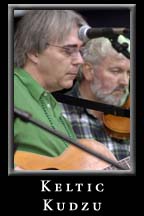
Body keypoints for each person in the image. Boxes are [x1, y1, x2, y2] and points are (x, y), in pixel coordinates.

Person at [14, 10, 117, 170]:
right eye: (68, 50)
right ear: (34, 51)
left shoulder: (52, 104)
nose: (80, 61)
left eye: (80, 51)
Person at [61, 37, 130, 161]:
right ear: (89, 71)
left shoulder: (129, 116)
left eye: (129, 73)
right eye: (116, 71)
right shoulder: (57, 114)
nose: (125, 82)